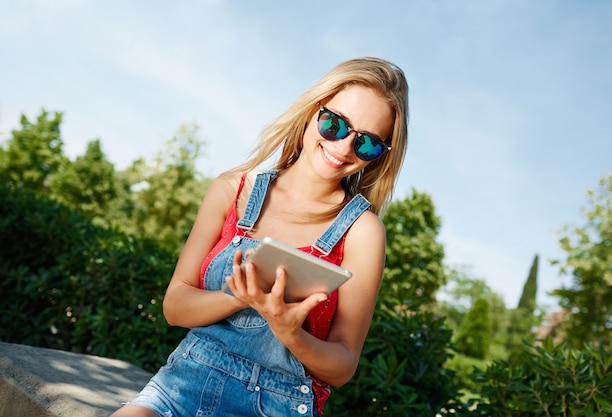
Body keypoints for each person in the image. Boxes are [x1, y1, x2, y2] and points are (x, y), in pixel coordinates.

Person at [111, 56, 409, 417]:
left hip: (277, 406)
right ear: (313, 111)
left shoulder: (363, 232)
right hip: (184, 383)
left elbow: (343, 364)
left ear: (380, 157)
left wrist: (290, 332)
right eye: (334, 124)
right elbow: (175, 308)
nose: (343, 147)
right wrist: (238, 295)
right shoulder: (230, 190)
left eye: (367, 144)